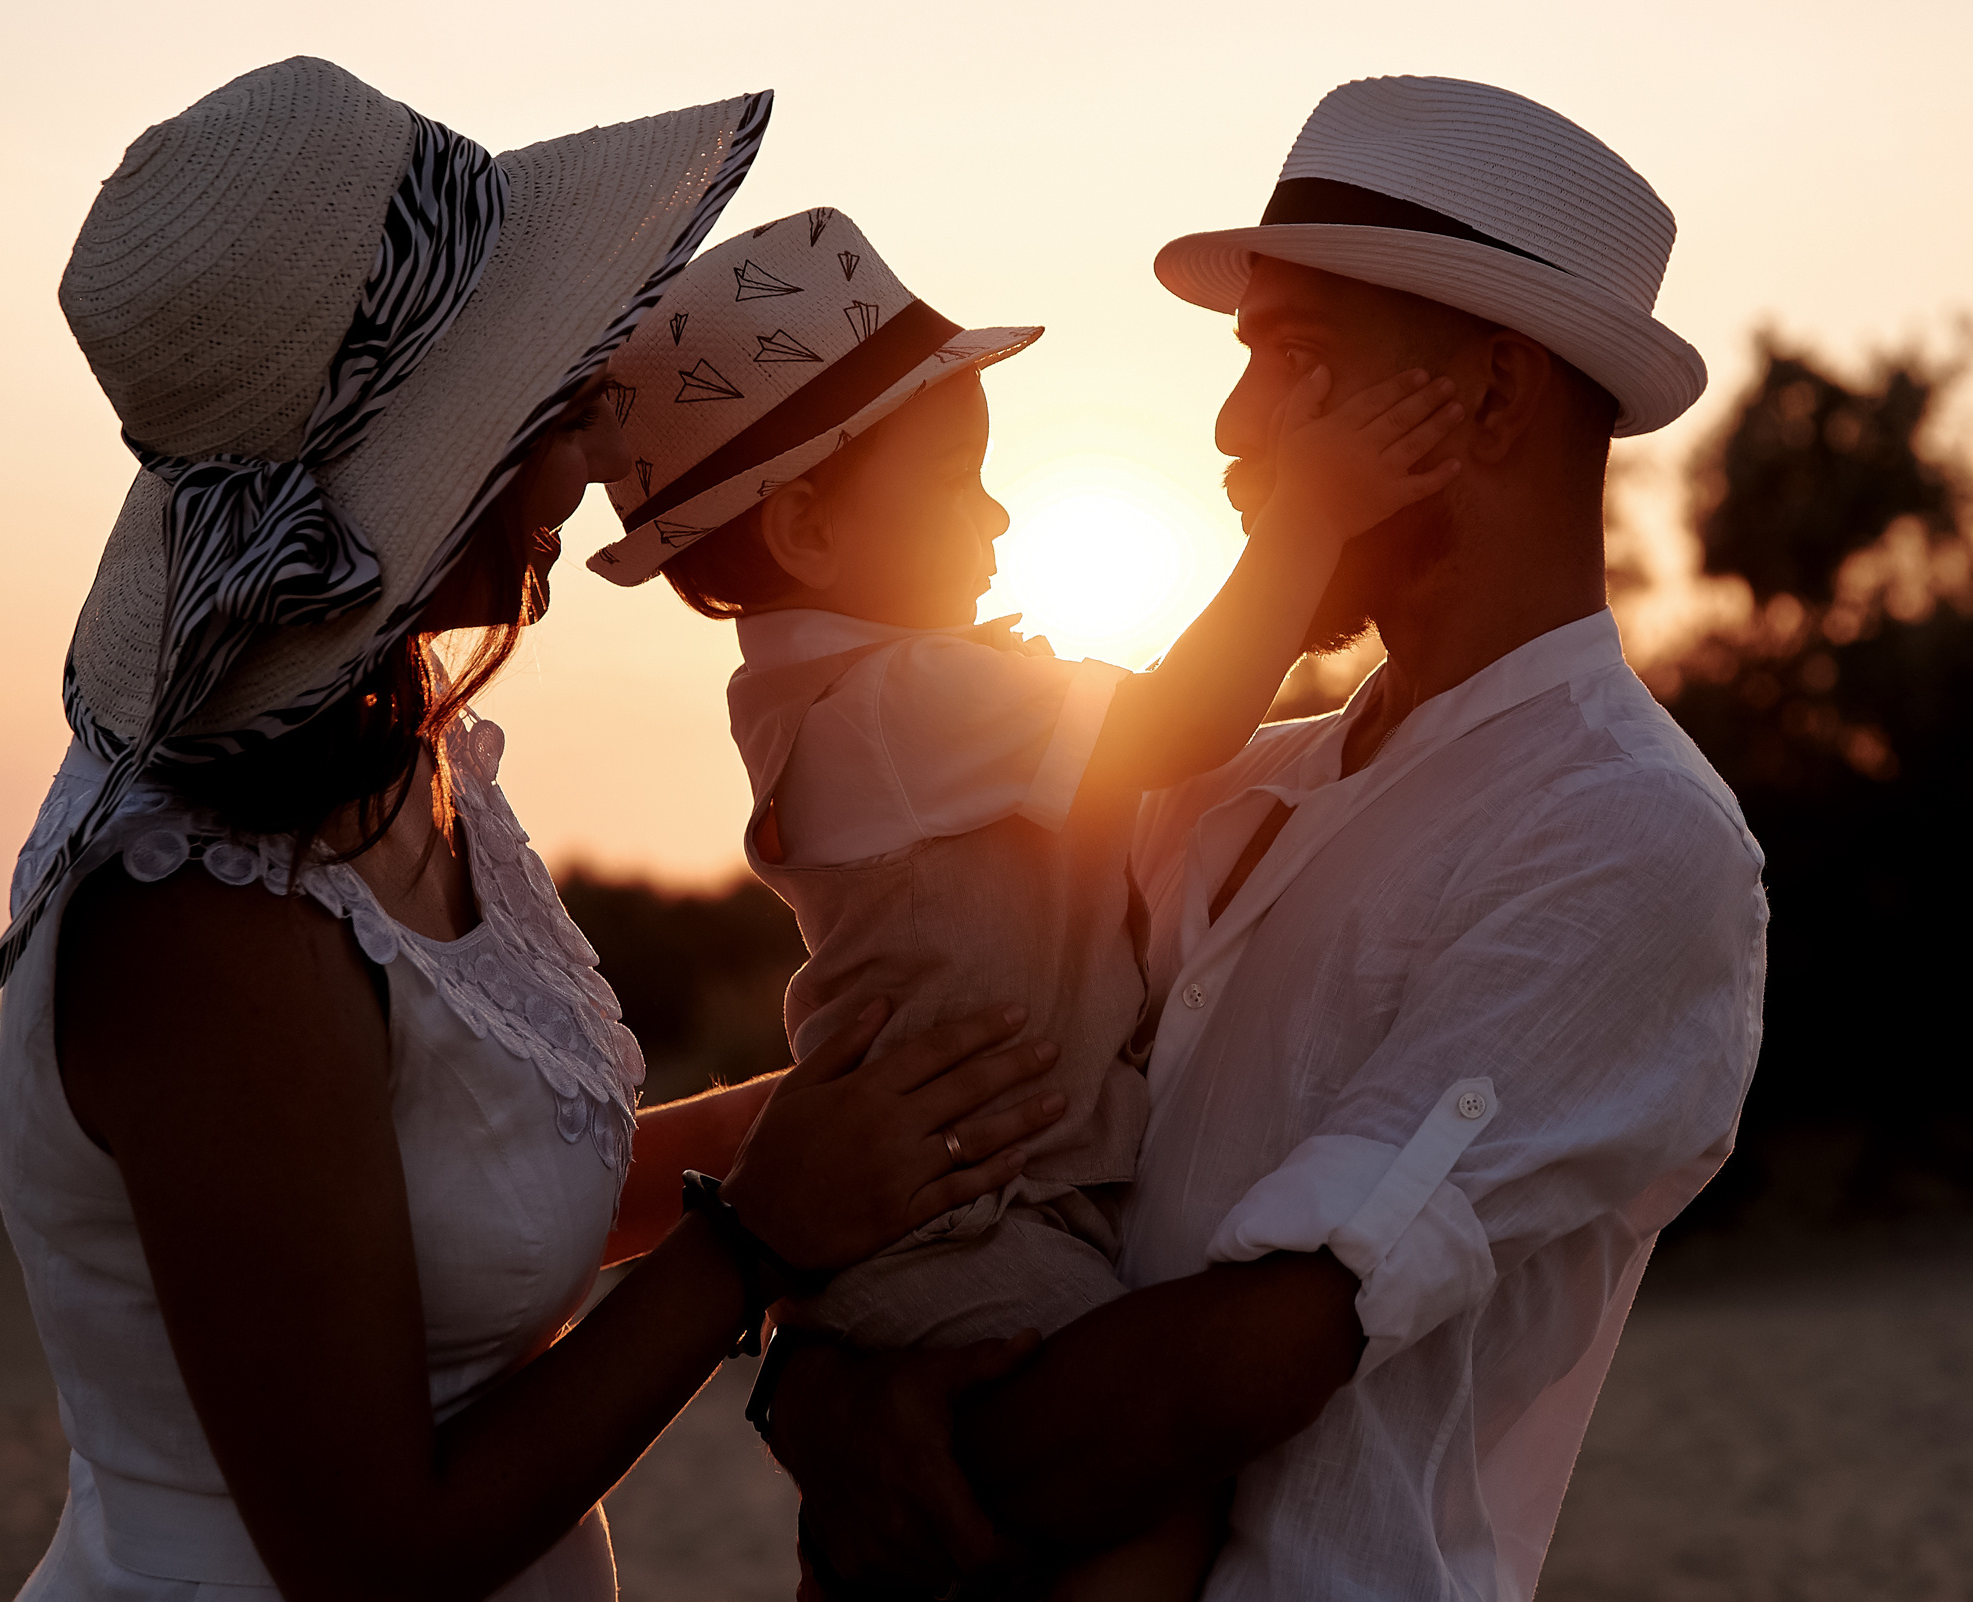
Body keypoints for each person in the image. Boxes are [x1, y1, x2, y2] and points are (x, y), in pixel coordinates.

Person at [0, 58, 1070, 1602]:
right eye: (545, 391)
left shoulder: (401, 748)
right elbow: (371, 1553)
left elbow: (458, 1197)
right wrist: (755, 1240)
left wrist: (889, 1100)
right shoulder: (208, 922)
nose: (592, 446)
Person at [757, 76, 1770, 1601]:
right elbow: (953, 1125)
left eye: (1292, 366)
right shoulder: (1217, 785)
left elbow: (1258, 1350)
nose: (1231, 431)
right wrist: (813, 1385)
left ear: (1491, 401)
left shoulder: (1626, 834)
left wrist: (877, 1444)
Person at [592, 211, 1463, 1593]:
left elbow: (1171, 721)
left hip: (973, 1213)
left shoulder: (881, 701)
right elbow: (1178, 722)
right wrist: (1311, 513)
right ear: (813, 525)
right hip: (967, 1221)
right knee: (1145, 1506)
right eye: (958, 478)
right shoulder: (898, 703)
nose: (998, 514)